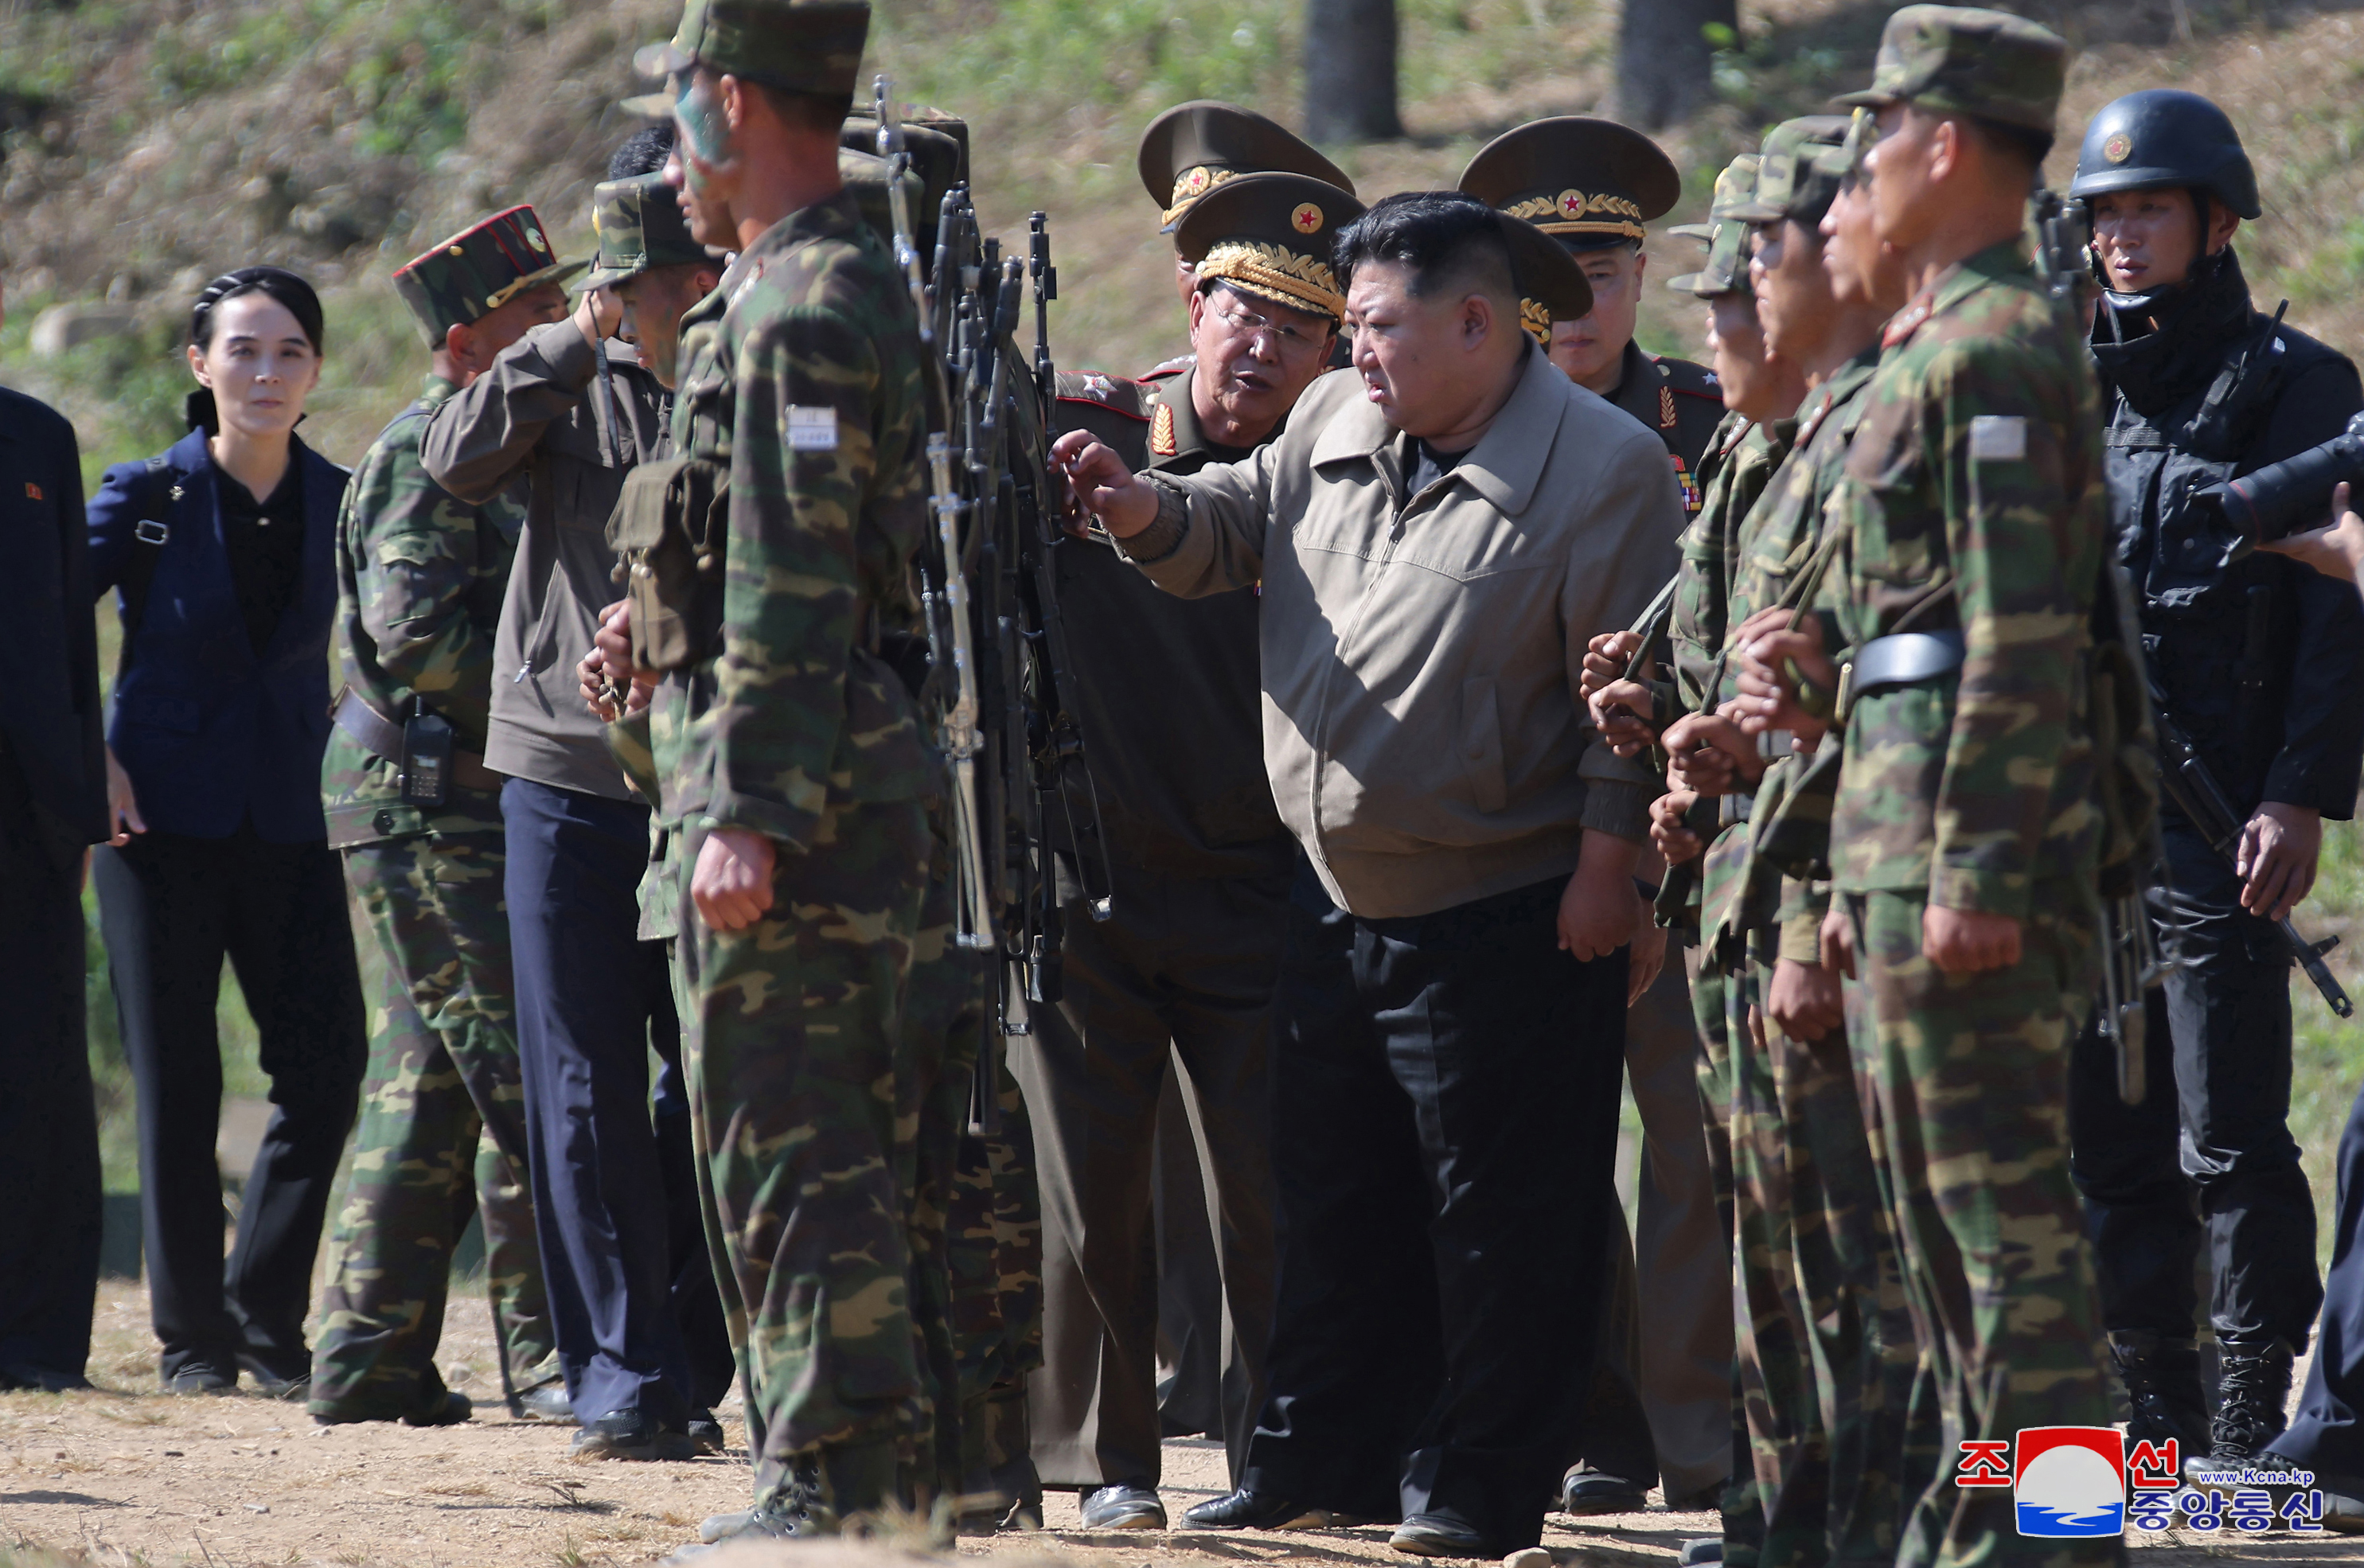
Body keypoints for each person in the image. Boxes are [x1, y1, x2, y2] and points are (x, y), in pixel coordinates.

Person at [1057, 191, 1679, 1558]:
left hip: (1508, 907)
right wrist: (1141, 507)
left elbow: (1630, 700)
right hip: (1333, 902)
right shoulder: (1339, 419)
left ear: (1476, 323)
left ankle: (1475, 1487)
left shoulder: (1606, 470)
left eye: (1381, 328)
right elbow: (1229, 530)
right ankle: (1313, 1461)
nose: (1359, 356)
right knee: (1334, 1207)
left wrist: (1606, 871)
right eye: (1356, 331)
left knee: (1501, 1227)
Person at [1732, 10, 2121, 1566]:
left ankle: (2065, 1537)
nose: (1856, 183)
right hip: (1895, 849)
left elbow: (2024, 641)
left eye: (1878, 139)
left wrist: (1966, 874)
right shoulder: (1941, 355)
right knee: (1945, 1259)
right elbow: (1917, 641)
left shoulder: (2000, 352)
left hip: (1968, 869)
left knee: (2009, 1246)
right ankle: (1991, 1539)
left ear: (1944, 146)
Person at [618, 0, 938, 1537]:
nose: (674, 142)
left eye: (681, 102)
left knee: (794, 1139)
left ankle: (838, 1485)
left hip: (796, 802)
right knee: (775, 1138)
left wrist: (742, 812)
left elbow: (795, 578)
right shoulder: (793, 287)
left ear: (730, 98)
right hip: (793, 775)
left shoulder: (803, 304)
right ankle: (815, 1469)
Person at [1023, 168, 1362, 1532]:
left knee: (1277, 1196)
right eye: (1245, 313)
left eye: (1301, 328)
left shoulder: (1336, 482)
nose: (1264, 349)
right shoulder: (1068, 439)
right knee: (1093, 1207)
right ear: (1192, 305)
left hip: (1261, 888)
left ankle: (1289, 1462)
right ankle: (1106, 1468)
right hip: (1086, 880)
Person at [2057, 89, 2364, 1469]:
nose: (2125, 238)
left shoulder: (2303, 389)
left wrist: (2299, 795)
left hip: (2221, 817)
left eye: (2152, 210)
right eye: (2107, 214)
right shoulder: (2063, 382)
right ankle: (2154, 1414)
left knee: (2225, 1134)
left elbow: (2332, 624)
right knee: (2104, 1135)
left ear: (2217, 220)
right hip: (2076, 825)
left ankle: (2254, 1409)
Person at [420, 141, 735, 1455]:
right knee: (581, 1082)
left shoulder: (751, 368)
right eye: (662, 271)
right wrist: (564, 340)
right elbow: (451, 459)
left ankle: (696, 1354)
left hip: (717, 779)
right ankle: (617, 1375)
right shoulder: (563, 371)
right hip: (565, 770)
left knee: (718, 1081)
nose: (686, 291)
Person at [1459, 111, 1730, 1520]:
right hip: (1521, 845)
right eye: (1550, 272)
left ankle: (1695, 1441)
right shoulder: (1467, 424)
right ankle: (1596, 1422)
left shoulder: (1711, 421)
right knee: (1553, 1158)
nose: (1580, 300)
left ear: (1638, 280)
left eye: (1605, 269)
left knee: (1684, 1150)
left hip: (1682, 850)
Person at [310, 213, 581, 1431]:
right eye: (536, 314)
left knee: (430, 1078)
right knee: (523, 1072)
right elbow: (415, 633)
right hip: (426, 803)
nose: (558, 332)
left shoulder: (507, 438)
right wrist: (549, 713)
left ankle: (369, 1359)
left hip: (453, 794)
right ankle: (553, 1358)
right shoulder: (428, 447)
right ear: (472, 341)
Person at [87, 267, 366, 1398]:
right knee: (181, 1078)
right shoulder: (143, 495)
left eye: (289, 351)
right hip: (154, 818)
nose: (266, 372)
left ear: (314, 371)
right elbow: (48, 624)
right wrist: (89, 762)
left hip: (296, 816)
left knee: (328, 1065)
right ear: (198, 365)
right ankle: (193, 1337)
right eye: (242, 350)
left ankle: (265, 1310)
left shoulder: (345, 497)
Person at [0, 273, 108, 1395]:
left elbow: (73, 637)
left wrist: (77, 800)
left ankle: (36, 1336)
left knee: (35, 1066)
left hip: (25, 806)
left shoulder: (39, 436)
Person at [1132, 100, 1352, 380]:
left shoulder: (1360, 389)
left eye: (1240, 268)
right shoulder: (1172, 387)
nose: (1207, 280)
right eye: (1189, 259)